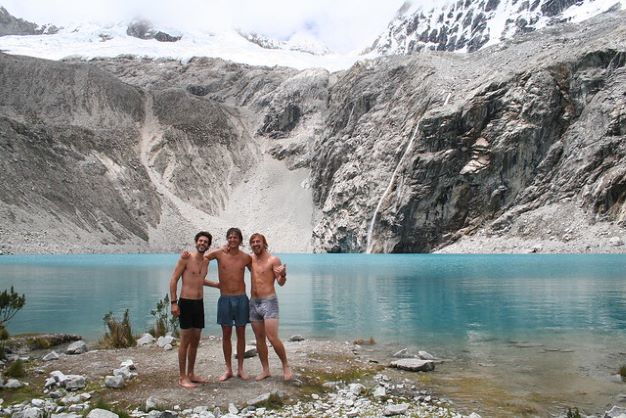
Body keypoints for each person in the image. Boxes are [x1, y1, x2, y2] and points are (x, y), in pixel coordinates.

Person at [169, 231, 219, 388]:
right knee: (185, 341)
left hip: (199, 303)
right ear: (196, 242)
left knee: (196, 340)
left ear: (208, 245)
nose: (202, 243)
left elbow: (200, 280)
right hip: (186, 303)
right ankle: (182, 377)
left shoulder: (206, 262)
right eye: (200, 241)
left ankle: (191, 373)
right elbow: (174, 280)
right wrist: (173, 302)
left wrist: (216, 285)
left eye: (206, 242)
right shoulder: (186, 258)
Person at [203, 227, 252, 381]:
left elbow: (257, 272)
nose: (232, 240)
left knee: (241, 333)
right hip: (225, 298)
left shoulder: (245, 257)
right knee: (226, 334)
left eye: (235, 237)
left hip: (241, 298)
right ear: (227, 239)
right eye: (230, 237)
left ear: (240, 240)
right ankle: (228, 369)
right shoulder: (219, 254)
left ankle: (241, 368)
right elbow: (202, 258)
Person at [247, 233, 293, 381]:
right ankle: (265, 370)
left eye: (258, 241)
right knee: (259, 339)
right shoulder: (250, 259)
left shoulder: (273, 260)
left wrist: (283, 275)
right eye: (253, 242)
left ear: (264, 243)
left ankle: (285, 366)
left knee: (272, 337)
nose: (255, 244)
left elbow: (280, 282)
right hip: (254, 303)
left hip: (269, 302)